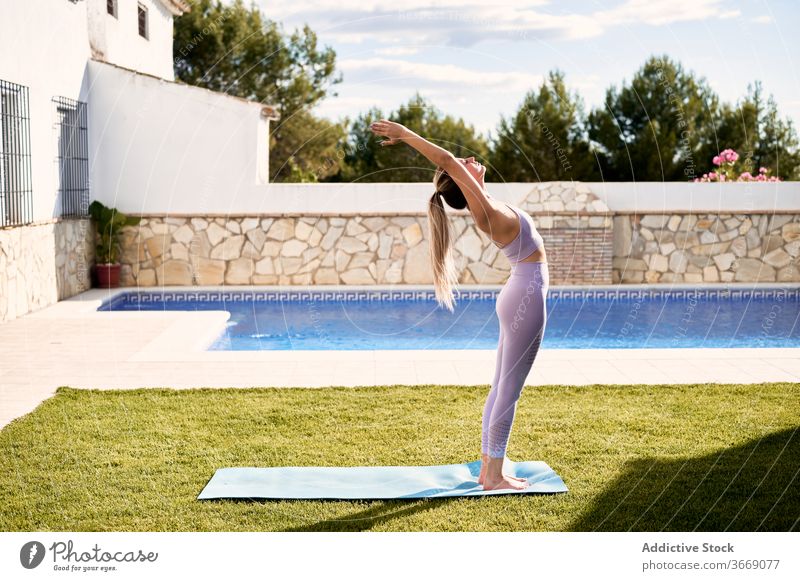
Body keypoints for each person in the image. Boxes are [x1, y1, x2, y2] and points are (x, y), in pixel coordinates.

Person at [369, 119, 550, 491]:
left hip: (520, 293)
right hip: (526, 296)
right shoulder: (484, 211)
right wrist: (405, 136)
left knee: (501, 385)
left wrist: (468, 178)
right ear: (461, 181)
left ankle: (488, 470)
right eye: (462, 164)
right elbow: (449, 160)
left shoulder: (488, 205)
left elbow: (454, 166)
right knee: (509, 389)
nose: (468, 158)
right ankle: (495, 477)